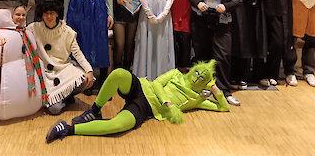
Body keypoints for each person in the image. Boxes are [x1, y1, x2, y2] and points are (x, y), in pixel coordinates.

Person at [45, 60, 229, 143]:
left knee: (117, 126)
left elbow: (223, 108)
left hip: (145, 108)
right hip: (142, 87)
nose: (197, 77)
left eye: (203, 78)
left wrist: (214, 88)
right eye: (197, 72)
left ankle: (67, 129)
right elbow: (156, 84)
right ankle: (95, 110)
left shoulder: (197, 99)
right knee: (119, 73)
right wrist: (168, 103)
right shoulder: (176, 74)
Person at [188, 0, 242, 106]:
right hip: (201, 22)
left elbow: (238, 0)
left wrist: (226, 6)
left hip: (222, 24)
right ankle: (200, 88)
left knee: (223, 57)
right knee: (201, 56)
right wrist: (198, 3)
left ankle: (224, 91)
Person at [27, 0, 94, 114]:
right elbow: (21, 39)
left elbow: (77, 53)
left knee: (85, 79)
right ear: (42, 14)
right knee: (54, 109)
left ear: (57, 13)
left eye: (51, 13)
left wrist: (89, 70)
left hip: (63, 69)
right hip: (44, 73)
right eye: (46, 13)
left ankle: (66, 95)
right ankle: (63, 96)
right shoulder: (33, 28)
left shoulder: (67, 31)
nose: (49, 17)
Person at [226, 0, 255, 90]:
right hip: (227, 9)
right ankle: (230, 75)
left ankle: (243, 76)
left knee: (243, 42)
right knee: (230, 42)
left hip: (243, 11)